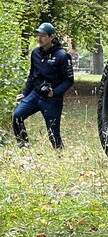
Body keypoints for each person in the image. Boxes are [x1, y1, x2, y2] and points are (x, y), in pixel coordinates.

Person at [13, 22, 74, 150]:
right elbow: (32, 75)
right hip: (35, 95)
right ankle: (24, 147)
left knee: (53, 134)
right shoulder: (35, 53)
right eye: (38, 35)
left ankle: (60, 155)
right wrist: (25, 92)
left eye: (43, 36)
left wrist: (54, 93)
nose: (39, 38)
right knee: (17, 116)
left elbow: (69, 81)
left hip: (52, 100)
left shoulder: (62, 56)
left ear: (52, 37)